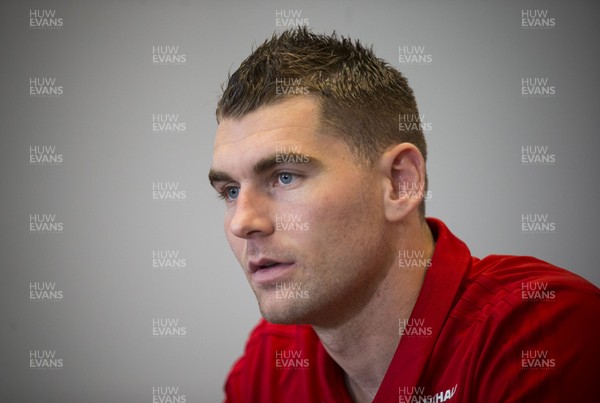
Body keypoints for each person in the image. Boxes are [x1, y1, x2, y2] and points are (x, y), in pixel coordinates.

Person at [208, 27, 600, 402]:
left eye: (285, 177)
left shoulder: (541, 330)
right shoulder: (270, 364)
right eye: (230, 191)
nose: (243, 222)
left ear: (400, 183)